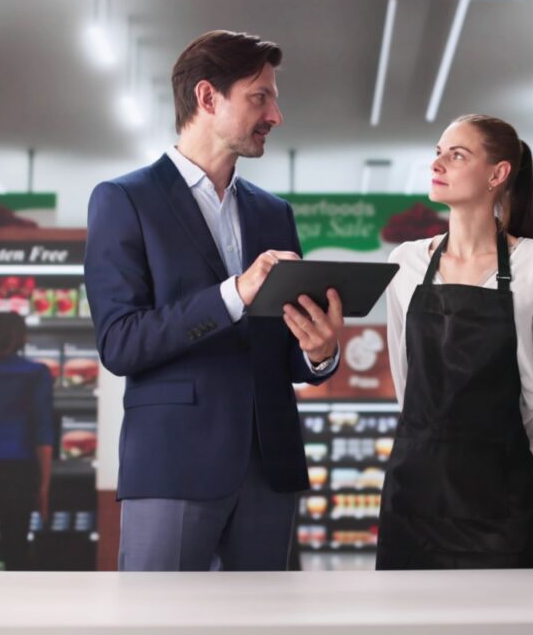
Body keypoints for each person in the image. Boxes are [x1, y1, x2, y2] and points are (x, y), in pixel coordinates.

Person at [85, 30, 345, 571]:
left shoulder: (275, 214)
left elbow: (285, 349)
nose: (276, 114)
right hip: (173, 465)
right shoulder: (124, 200)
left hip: (269, 466)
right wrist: (234, 294)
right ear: (208, 98)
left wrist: (319, 352)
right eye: (260, 97)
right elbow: (120, 343)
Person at [376, 115, 533, 569]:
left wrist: (499, 452)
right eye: (438, 152)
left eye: (457, 154)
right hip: (415, 491)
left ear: (497, 174)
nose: (438, 162)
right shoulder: (404, 261)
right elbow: (405, 380)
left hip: (500, 496)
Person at [0, 313, 55, 571]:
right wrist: (44, 486)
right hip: (19, 470)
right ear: (22, 338)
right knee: (16, 549)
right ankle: (14, 609)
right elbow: (43, 433)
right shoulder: (36, 373)